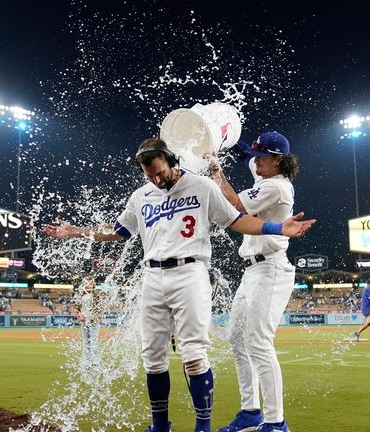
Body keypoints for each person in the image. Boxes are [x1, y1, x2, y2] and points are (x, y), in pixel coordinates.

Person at [43, 137, 314, 432]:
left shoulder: (201, 186)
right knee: (153, 356)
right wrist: (75, 232)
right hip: (152, 276)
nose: (156, 179)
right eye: (149, 175)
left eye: (159, 172)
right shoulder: (142, 195)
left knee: (195, 354)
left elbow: (237, 220)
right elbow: (118, 231)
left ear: (172, 161)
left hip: (191, 271)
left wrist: (277, 227)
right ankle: (163, 426)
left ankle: (210, 427)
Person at [208, 131, 299, 432]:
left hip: (271, 269)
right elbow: (248, 155)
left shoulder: (276, 187)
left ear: (279, 161)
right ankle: (251, 412)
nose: (255, 161)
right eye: (256, 156)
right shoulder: (264, 169)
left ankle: (276, 423)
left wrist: (215, 170)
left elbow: (236, 206)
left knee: (259, 342)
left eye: (262, 157)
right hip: (251, 271)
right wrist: (228, 142)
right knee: (237, 339)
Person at [75, 275, 101, 366]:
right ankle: (86, 362)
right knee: (86, 342)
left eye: (90, 284)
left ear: (93, 285)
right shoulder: (81, 295)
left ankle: (96, 362)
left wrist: (85, 315)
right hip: (83, 321)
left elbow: (97, 310)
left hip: (93, 321)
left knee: (93, 341)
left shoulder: (96, 295)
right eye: (86, 283)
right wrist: (78, 314)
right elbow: (78, 308)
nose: (88, 285)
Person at [353, 278, 370, 343]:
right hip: (367, 309)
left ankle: (357, 333)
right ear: (369, 283)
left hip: (365, 309)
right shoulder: (368, 290)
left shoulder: (365, 290)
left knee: (368, 324)